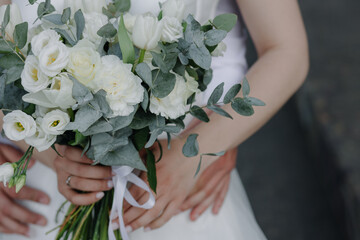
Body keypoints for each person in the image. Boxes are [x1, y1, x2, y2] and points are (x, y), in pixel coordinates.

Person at [0, 0, 309, 239]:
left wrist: (194, 152)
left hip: (176, 180)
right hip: (38, 181)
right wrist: (44, 154)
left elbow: (286, 50)